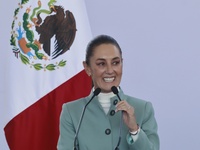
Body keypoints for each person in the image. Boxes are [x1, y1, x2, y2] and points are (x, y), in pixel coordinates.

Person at [57, 35, 160, 150]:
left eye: (115, 63)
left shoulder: (143, 109)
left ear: (122, 63)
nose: (110, 71)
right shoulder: (72, 111)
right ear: (87, 68)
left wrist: (134, 130)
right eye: (101, 64)